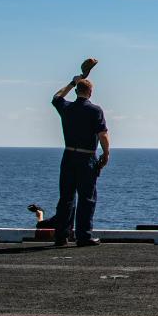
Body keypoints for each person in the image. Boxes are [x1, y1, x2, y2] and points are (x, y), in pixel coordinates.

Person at [50, 73, 110, 247]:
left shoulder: (66, 107)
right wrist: (106, 154)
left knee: (66, 197)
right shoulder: (95, 110)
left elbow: (56, 97)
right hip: (86, 157)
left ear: (76, 91)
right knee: (87, 198)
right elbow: (103, 134)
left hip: (68, 156)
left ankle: (61, 236)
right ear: (90, 92)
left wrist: (72, 81)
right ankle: (83, 236)